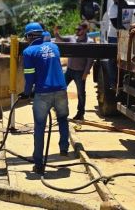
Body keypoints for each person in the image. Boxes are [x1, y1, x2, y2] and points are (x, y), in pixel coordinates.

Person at [19, 22, 69, 174]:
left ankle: (39, 164)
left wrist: (27, 93)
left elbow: (30, 77)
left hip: (43, 93)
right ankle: (64, 147)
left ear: (29, 36)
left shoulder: (28, 52)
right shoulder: (54, 47)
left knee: (40, 127)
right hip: (61, 89)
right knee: (62, 118)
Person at [53, 21, 94, 120]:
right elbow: (61, 39)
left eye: (79, 29)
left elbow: (90, 59)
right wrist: (56, 32)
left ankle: (80, 113)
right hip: (69, 71)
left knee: (80, 93)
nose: (77, 31)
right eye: (76, 29)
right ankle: (58, 108)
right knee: (60, 88)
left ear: (84, 30)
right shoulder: (72, 38)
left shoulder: (89, 42)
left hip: (80, 72)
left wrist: (86, 72)